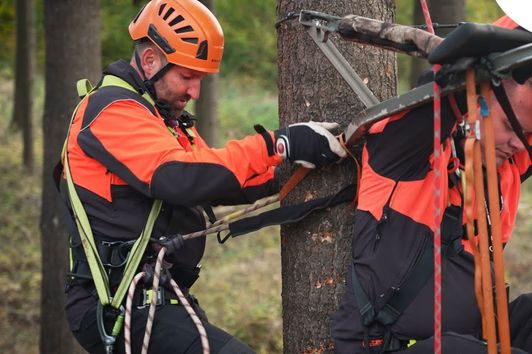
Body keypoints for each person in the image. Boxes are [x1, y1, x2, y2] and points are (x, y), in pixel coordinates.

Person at [59, 0, 346, 353]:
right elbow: (180, 177)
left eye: (200, 80)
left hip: (159, 299)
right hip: (120, 304)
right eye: (187, 77)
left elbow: (214, 178)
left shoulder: (163, 120)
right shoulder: (112, 111)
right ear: (150, 61)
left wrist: (287, 169)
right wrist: (278, 143)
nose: (195, 93)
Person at [331, 16, 532, 354]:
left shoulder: (506, 166)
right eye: (509, 128)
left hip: (476, 338)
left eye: (526, 134)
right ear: (475, 99)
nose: (519, 143)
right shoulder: (407, 152)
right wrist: (481, 56)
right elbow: (435, 100)